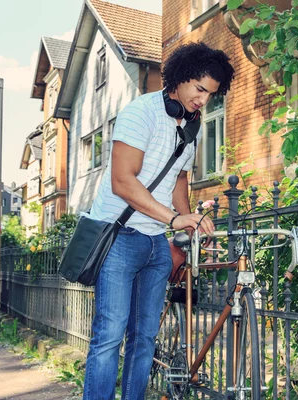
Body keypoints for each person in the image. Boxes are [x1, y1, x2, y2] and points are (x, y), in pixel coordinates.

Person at [83, 42, 235, 400]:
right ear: (180, 78)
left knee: (145, 337)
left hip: (155, 245)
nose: (203, 101)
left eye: (211, 95)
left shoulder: (191, 126)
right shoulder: (142, 113)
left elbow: (179, 179)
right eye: (200, 90)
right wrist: (174, 218)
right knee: (109, 335)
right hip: (118, 237)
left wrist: (191, 221)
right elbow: (123, 181)